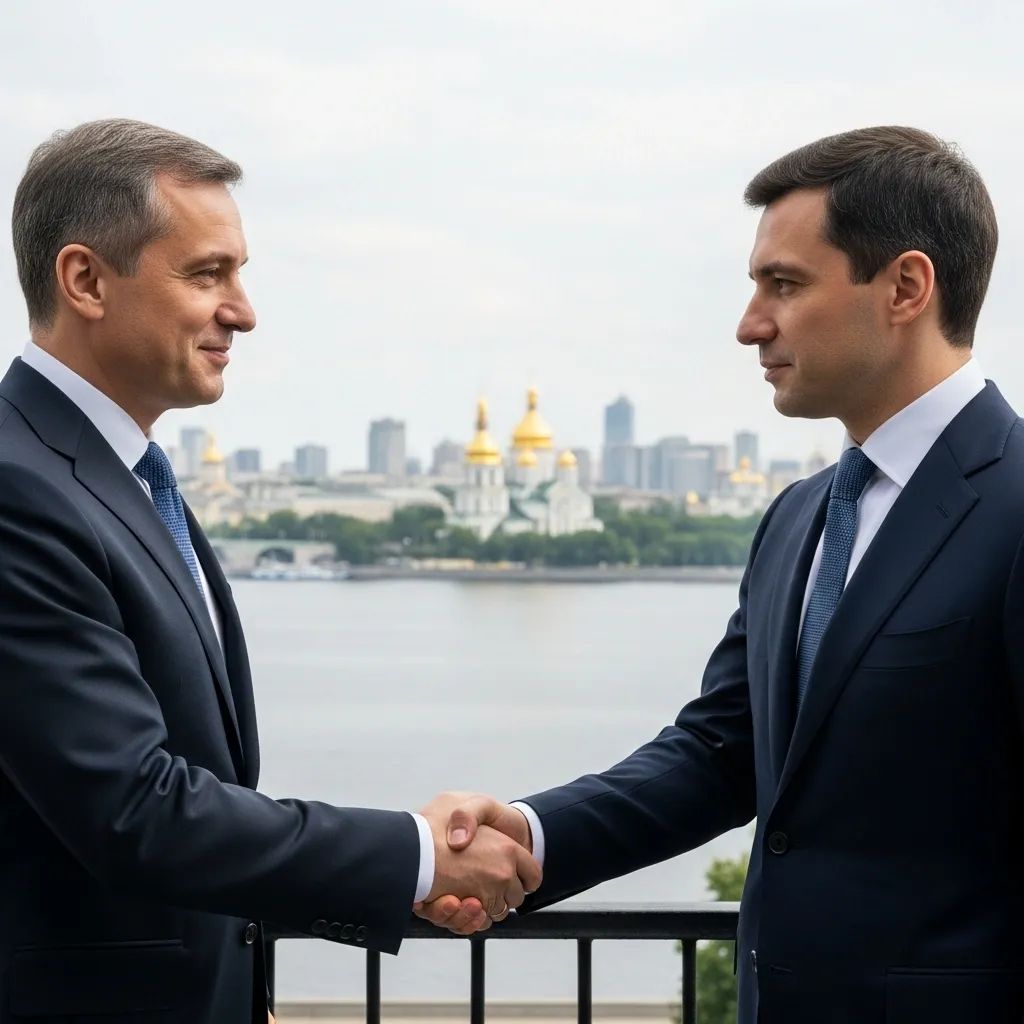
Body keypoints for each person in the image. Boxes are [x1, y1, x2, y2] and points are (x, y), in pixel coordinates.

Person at [419, 127, 1024, 1022]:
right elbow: (719, 754)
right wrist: (528, 834)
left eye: (783, 284)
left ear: (905, 287)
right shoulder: (799, 517)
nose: (750, 324)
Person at [0, 119, 540, 1024]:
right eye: (208, 273)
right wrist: (414, 855)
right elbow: (135, 808)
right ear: (85, 280)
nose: (243, 309)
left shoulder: (111, 477)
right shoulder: (20, 490)